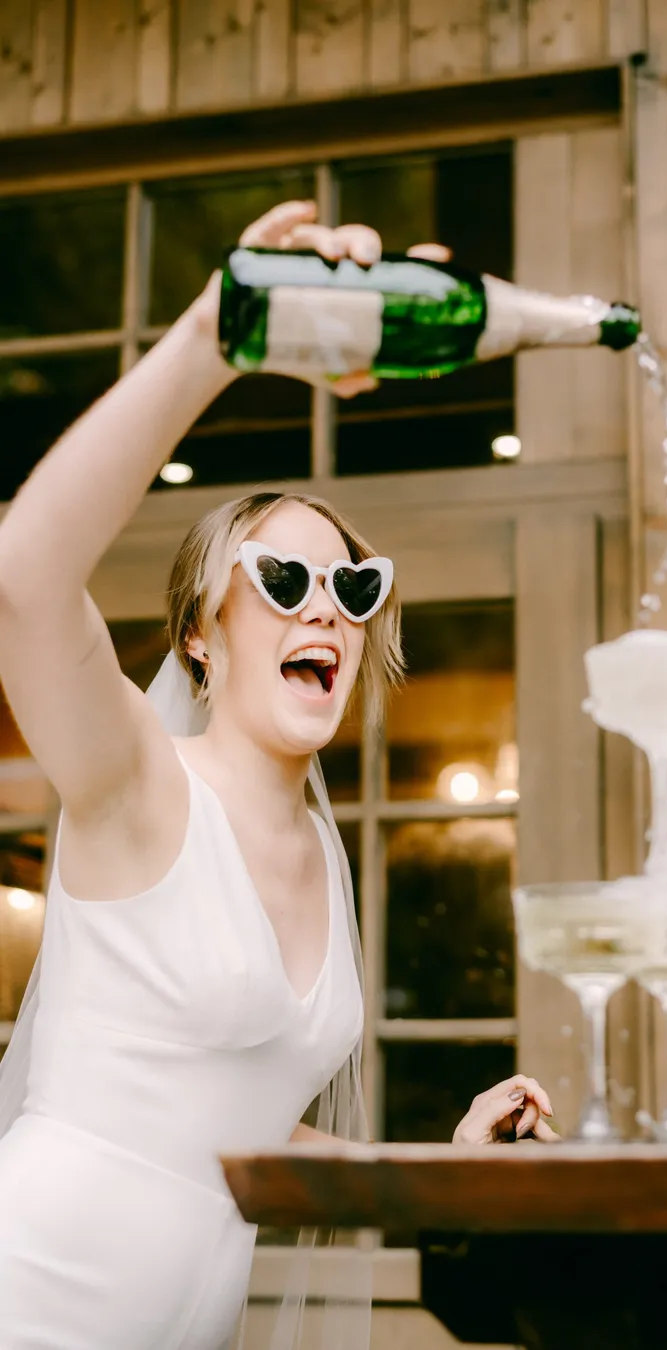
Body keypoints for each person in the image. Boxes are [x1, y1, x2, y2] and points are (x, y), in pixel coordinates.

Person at [0, 201, 555, 1350]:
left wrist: (438, 1167)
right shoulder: (141, 785)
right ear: (201, 634)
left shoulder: (321, 852)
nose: (328, 611)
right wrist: (219, 333)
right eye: (282, 582)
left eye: (354, 592)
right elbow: (21, 579)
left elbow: (238, 1126)